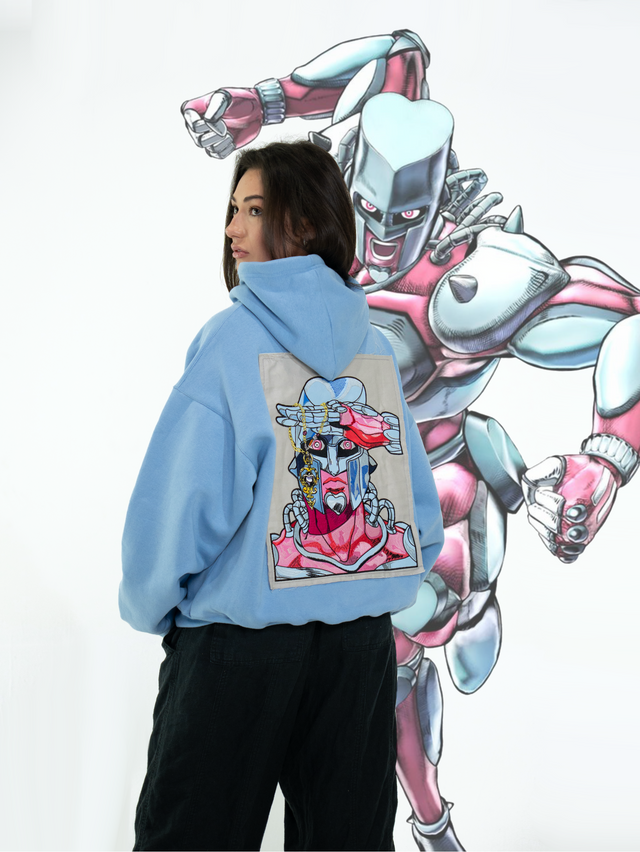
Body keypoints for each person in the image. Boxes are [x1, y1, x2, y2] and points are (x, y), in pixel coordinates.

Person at [119, 139, 444, 852]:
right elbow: (416, 512)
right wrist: (363, 585)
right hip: (358, 651)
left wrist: (152, 604)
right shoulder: (374, 348)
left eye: (254, 210)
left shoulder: (232, 341)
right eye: (233, 209)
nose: (231, 228)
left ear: (302, 222)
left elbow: (184, 502)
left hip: (239, 650)